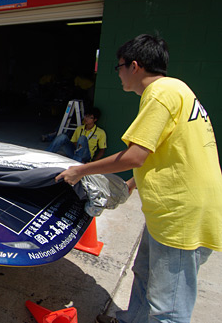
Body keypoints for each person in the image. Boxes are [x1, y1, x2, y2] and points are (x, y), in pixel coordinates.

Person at [55, 34, 222, 323]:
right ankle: (131, 319)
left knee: (168, 309)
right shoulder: (177, 89)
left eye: (118, 67)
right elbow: (166, 150)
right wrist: (130, 184)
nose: (118, 74)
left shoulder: (159, 93)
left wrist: (79, 170)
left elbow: (135, 155)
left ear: (134, 66)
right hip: (170, 209)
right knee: (144, 272)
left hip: (181, 214)